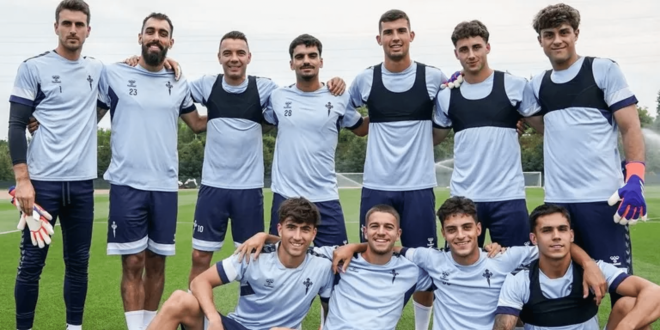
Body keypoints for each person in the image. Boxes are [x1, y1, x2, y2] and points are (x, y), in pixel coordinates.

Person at [183, 30, 347, 285]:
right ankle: (194, 318)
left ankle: (250, 319)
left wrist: (334, 82)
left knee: (253, 257)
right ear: (219, 57)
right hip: (212, 187)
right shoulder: (207, 84)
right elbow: (173, 89)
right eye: (227, 53)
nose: (234, 58)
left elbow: (295, 105)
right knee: (199, 255)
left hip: (249, 190)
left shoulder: (268, 89)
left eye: (240, 53)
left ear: (249, 57)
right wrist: (165, 66)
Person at [334, 196, 607, 330]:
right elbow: (388, 245)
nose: (460, 235)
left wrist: (589, 264)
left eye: (467, 227)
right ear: (444, 233)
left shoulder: (503, 257)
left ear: (479, 229)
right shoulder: (432, 259)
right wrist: (354, 246)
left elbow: (555, 246)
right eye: (452, 229)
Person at [524, 3, 646, 297]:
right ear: (540, 40)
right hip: (558, 204)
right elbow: (544, 126)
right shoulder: (537, 84)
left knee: (624, 293)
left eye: (564, 32)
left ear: (576, 33)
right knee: (565, 291)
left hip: (602, 201)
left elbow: (631, 127)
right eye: (549, 34)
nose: (557, 40)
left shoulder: (602, 69)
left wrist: (635, 178)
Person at [96, 13, 207, 330]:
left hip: (164, 186)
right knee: (133, 261)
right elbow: (88, 116)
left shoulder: (178, 81)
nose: (156, 37)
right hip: (127, 183)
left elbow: (197, 124)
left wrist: (237, 112)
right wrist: (42, 120)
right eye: (150, 32)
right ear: (140, 37)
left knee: (157, 263)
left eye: (163, 33)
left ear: (171, 41)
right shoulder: (115, 74)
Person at [347, 9, 448, 328]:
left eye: (401, 31)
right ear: (379, 39)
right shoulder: (365, 79)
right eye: (388, 32)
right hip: (377, 185)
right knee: (375, 258)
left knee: (424, 264)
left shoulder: (433, 77)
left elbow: (449, 117)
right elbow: (347, 113)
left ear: (411, 36)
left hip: (418, 186)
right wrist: (361, 124)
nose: (395, 37)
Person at [7, 1, 102, 329]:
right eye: (67, 24)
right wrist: (23, 180)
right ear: (56, 27)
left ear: (88, 30)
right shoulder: (33, 68)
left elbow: (108, 98)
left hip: (81, 186)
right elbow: (16, 123)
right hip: (42, 186)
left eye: (79, 24)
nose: (73, 30)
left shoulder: (97, 70)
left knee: (78, 264)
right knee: (31, 264)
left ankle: (73, 328)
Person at [433, 20, 544, 248]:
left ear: (488, 47)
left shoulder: (514, 85)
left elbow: (546, 127)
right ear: (456, 54)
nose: (471, 54)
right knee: (461, 270)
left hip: (508, 197)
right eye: (464, 49)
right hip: (464, 200)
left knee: (517, 267)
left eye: (477, 47)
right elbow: (431, 139)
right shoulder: (446, 96)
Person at [145, 197, 336, 330]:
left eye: (305, 230)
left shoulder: (322, 265)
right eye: (291, 228)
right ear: (280, 229)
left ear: (314, 233)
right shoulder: (254, 254)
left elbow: (365, 246)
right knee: (180, 299)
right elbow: (199, 282)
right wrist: (213, 319)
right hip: (239, 326)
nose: (297, 236)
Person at [264, 33, 368, 249]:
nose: (306, 61)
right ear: (291, 63)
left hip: (325, 196)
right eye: (300, 56)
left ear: (321, 61)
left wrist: (389, 108)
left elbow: (361, 129)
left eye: (312, 55)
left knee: (338, 264)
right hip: (285, 195)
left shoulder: (339, 96)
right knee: (279, 265)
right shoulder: (277, 97)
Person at [493, 204, 660, 330]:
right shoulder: (519, 279)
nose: (556, 236)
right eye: (547, 230)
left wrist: (626, 327)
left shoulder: (594, 271)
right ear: (534, 238)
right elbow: (504, 325)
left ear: (571, 235)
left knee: (629, 306)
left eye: (562, 229)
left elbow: (655, 293)